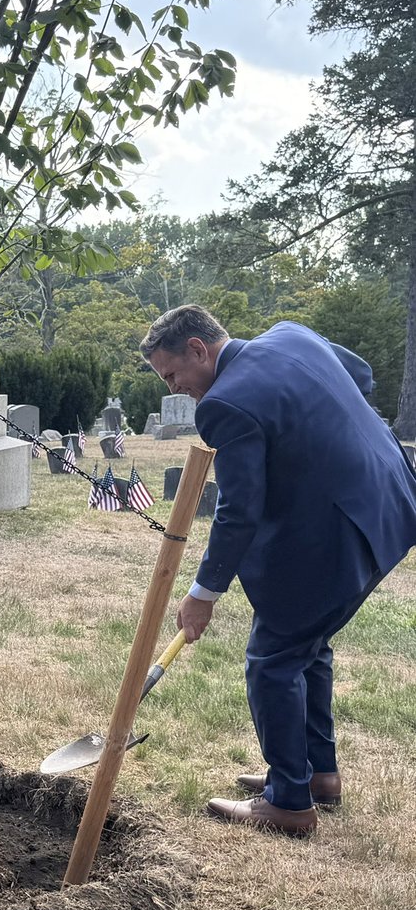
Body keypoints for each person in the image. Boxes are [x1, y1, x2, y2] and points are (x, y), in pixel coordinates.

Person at [142, 305, 416, 837]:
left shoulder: (224, 402)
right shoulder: (292, 335)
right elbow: (359, 375)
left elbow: (239, 509)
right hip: (392, 505)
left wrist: (203, 592)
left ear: (199, 349)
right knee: (306, 644)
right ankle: (318, 775)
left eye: (173, 375)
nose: (179, 389)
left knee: (273, 658)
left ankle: (289, 801)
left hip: (341, 533)